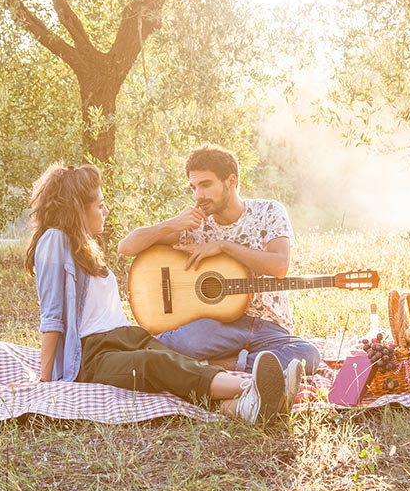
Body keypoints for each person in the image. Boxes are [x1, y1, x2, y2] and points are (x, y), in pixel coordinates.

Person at [26, 161, 301, 424]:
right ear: (77, 210)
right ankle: (254, 387)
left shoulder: (82, 246)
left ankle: (241, 407)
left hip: (123, 337)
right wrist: (45, 381)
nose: (106, 212)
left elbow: (280, 265)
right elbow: (52, 316)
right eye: (100, 205)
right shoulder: (54, 240)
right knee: (155, 364)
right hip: (89, 354)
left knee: (178, 366)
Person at [116, 143, 323, 376]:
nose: (198, 195)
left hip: (268, 325)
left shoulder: (269, 212)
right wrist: (173, 223)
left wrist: (224, 246)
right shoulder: (195, 224)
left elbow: (279, 266)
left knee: (308, 355)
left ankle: (224, 364)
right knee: (167, 346)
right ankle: (251, 364)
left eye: (205, 185)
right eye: (193, 187)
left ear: (231, 181)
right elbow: (126, 247)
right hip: (217, 328)